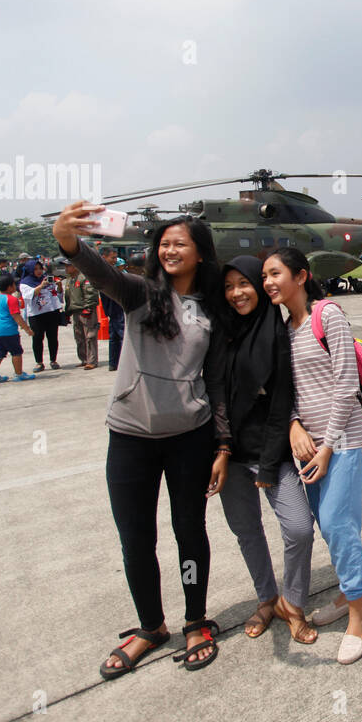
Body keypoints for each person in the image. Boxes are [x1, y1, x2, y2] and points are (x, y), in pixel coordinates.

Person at [52, 202, 231, 678]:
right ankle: (151, 627)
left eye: (180, 243)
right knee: (136, 538)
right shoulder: (142, 294)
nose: (169, 249)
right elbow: (102, 274)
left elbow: (215, 384)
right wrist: (68, 241)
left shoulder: (213, 309)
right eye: (164, 243)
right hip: (130, 436)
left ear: (199, 254)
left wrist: (223, 446)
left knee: (189, 532)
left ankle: (196, 621)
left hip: (189, 438)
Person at [262, 246, 362, 665]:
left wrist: (326, 447)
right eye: (266, 276)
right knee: (333, 528)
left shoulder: (328, 316)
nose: (269, 282)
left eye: (276, 274)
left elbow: (346, 386)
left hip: (342, 441)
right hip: (307, 444)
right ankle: (347, 594)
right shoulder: (283, 328)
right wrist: (293, 425)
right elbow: (284, 391)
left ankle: (360, 615)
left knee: (336, 523)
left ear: (301, 276)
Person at [216, 255, 318, 644]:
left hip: (267, 454)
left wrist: (271, 466)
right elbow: (215, 396)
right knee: (247, 531)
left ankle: (292, 603)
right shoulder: (221, 332)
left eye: (244, 283)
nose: (237, 293)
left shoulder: (277, 334)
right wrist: (220, 449)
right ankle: (266, 598)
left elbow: (281, 403)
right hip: (228, 455)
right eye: (228, 286)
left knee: (298, 528)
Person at [0, 274, 37, 384]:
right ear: (10, 287)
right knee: (16, 352)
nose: (16, 286)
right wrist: (27, 328)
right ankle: (18, 374)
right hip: (9, 331)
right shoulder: (12, 299)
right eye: (14, 284)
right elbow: (16, 316)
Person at [19, 259, 64, 371]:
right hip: (36, 314)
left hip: (51, 312)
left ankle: (53, 360)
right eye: (35, 269)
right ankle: (39, 362)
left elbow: (56, 295)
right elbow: (28, 296)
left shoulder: (47, 279)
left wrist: (58, 286)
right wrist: (40, 286)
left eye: (40, 268)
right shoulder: (25, 282)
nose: (39, 271)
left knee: (53, 337)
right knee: (38, 338)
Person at [63, 257, 100, 370]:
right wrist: (67, 311)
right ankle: (84, 359)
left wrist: (88, 308)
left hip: (85, 311)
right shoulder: (70, 279)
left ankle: (92, 360)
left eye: (68, 265)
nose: (66, 268)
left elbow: (91, 293)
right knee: (79, 336)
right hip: (75, 311)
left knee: (90, 336)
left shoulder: (84, 277)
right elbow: (68, 297)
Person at [99, 247, 126, 372]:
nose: (115, 260)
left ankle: (113, 363)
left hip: (114, 308)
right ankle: (121, 363)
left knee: (114, 337)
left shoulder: (108, 271)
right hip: (115, 307)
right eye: (113, 258)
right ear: (104, 257)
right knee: (120, 337)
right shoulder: (106, 272)